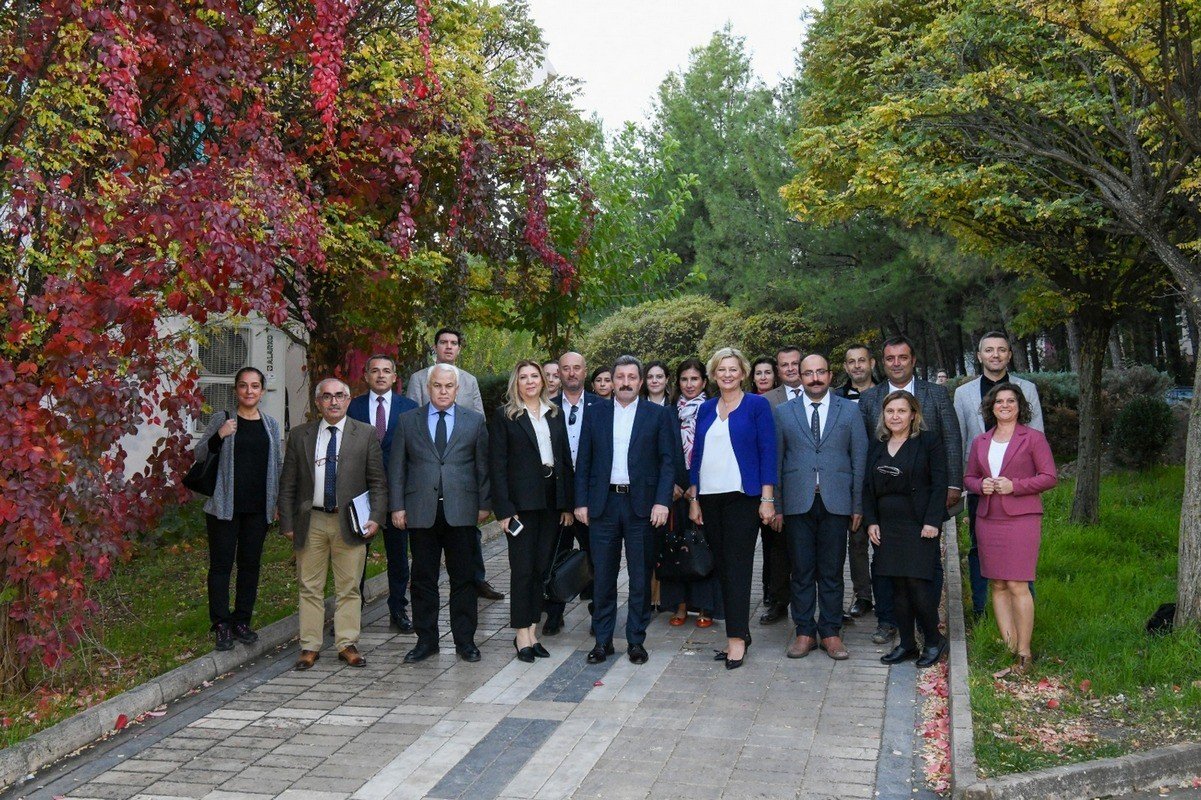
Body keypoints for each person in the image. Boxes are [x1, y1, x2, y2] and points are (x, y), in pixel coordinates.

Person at [858, 335, 962, 646]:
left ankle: (927, 623)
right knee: (885, 567)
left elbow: (951, 439)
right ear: (882, 362)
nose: (896, 363)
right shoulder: (869, 399)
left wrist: (953, 486)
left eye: (902, 357)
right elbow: (865, 453)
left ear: (913, 360)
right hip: (886, 507)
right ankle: (888, 622)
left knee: (925, 567)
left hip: (924, 501)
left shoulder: (936, 394)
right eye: (890, 358)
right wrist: (869, 512)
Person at [574, 355, 677, 665]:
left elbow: (668, 462)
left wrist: (662, 501)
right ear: (612, 380)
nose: (626, 382)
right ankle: (602, 641)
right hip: (603, 505)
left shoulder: (657, 415)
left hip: (642, 507)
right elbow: (584, 460)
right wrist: (580, 501)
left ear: (640, 382)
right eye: (620, 377)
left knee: (640, 577)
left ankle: (636, 640)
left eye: (632, 377)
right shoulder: (595, 413)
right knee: (603, 577)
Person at [279, 378, 387, 670]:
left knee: (349, 586)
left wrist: (376, 517)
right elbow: (288, 483)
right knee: (309, 586)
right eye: (327, 397)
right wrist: (287, 521)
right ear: (318, 402)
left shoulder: (365, 434)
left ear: (349, 400)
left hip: (349, 521)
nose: (334, 401)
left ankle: (347, 644)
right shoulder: (300, 435)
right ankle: (309, 646)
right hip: (311, 520)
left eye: (340, 396)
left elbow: (378, 482)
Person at [390, 364, 492, 663]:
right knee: (423, 579)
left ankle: (465, 641)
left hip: (462, 511)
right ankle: (426, 641)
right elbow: (397, 467)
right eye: (437, 385)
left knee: (464, 578)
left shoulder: (474, 421)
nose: (443, 391)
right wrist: (397, 506)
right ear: (428, 387)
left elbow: (483, 467)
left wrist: (484, 504)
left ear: (457, 389)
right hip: (421, 511)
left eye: (449, 386)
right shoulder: (408, 421)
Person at [773, 355, 867, 661]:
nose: (815, 378)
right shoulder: (783, 412)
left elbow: (859, 459)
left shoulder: (850, 410)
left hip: (836, 502)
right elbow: (777, 460)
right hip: (797, 502)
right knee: (801, 570)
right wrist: (776, 505)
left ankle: (830, 632)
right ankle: (804, 632)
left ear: (830, 375)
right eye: (808, 373)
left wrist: (857, 504)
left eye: (820, 372)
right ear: (799, 377)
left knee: (832, 570)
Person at [689, 348, 778, 670]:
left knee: (738, 568)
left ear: (743, 373)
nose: (727, 374)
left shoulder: (757, 405)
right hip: (710, 499)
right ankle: (740, 631)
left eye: (733, 369)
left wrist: (767, 498)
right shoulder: (706, 408)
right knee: (723, 568)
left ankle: (736, 640)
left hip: (743, 498)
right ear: (714, 375)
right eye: (721, 370)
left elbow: (768, 451)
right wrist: (694, 498)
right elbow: (696, 456)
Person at [963, 384, 1056, 673]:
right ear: (991, 407)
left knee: (1017, 583)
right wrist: (981, 485)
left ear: (1019, 406)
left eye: (1010, 401)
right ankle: (1009, 646)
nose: (1004, 405)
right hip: (988, 517)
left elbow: (1049, 477)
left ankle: (1024, 653)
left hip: (1021, 518)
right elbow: (969, 477)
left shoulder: (1033, 438)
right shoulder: (981, 441)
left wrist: (1015, 486)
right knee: (998, 584)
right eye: (999, 401)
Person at [406, 327, 503, 602]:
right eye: (443, 342)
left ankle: (477, 578)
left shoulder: (469, 381)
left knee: (467, 538)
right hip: (428, 472)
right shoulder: (418, 379)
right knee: (427, 553)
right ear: (435, 347)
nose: (449, 347)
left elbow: (479, 419)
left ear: (459, 349)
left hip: (461, 472)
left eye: (454, 343)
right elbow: (411, 422)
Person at [953, 331, 1045, 617]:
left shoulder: (1026, 389)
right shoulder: (963, 394)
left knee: (1020, 554)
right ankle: (982, 611)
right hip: (981, 487)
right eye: (989, 350)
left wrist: (1023, 484)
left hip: (1018, 487)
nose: (995, 355)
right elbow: (959, 440)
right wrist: (964, 484)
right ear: (979, 356)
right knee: (979, 548)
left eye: (1001, 349)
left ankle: (1022, 611)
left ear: (1009, 355)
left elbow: (1037, 435)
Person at [489, 361, 574, 662]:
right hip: (521, 506)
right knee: (522, 570)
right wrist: (504, 510)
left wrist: (566, 505)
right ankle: (521, 635)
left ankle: (533, 631)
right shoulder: (505, 416)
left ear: (543, 381)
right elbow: (497, 466)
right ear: (516, 382)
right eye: (523, 377)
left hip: (550, 502)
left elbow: (564, 459)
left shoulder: (554, 413)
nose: (529, 381)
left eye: (534, 376)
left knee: (541, 569)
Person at [193, 367, 282, 652]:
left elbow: (277, 465)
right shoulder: (223, 419)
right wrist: (220, 435)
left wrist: (276, 503)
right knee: (221, 567)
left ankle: (242, 620)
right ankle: (221, 624)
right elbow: (199, 453)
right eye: (243, 386)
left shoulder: (270, 425)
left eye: (255, 386)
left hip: (258, 508)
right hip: (224, 508)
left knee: (250, 566)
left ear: (262, 391)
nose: (249, 391)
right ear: (236, 390)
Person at [864, 391, 948, 668]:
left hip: (919, 524)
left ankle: (934, 641)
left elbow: (939, 484)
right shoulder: (877, 445)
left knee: (917, 584)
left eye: (901, 411)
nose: (895, 416)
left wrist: (933, 521)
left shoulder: (929, 442)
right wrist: (871, 521)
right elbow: (867, 487)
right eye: (890, 411)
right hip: (886, 526)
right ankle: (908, 644)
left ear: (913, 414)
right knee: (897, 586)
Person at [348, 355, 418, 633]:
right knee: (355, 557)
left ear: (394, 377)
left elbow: (414, 454)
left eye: (386, 371)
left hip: (396, 495)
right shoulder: (352, 407)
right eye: (375, 371)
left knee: (398, 557)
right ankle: (350, 613)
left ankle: (398, 609)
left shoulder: (409, 408)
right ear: (366, 376)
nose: (380, 375)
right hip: (360, 495)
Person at [660, 358, 721, 628]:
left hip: (706, 486)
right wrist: (671, 485)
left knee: (703, 544)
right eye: (684, 379)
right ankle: (680, 604)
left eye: (694, 379)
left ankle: (705, 605)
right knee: (675, 545)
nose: (689, 384)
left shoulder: (714, 410)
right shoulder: (668, 413)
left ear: (704, 382)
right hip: (674, 488)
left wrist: (696, 487)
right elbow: (661, 451)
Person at [544, 351, 601, 636]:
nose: (571, 373)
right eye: (565, 369)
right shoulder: (547, 408)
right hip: (558, 499)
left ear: (585, 371)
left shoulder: (602, 407)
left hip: (594, 498)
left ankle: (598, 613)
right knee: (556, 555)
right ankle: (554, 613)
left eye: (576, 368)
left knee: (598, 557)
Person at [758, 345, 804, 624]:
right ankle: (778, 602)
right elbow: (766, 451)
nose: (790, 369)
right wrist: (772, 499)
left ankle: (812, 605)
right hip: (778, 488)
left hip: (812, 489)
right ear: (778, 370)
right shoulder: (766, 401)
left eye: (794, 363)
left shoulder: (825, 395)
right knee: (778, 551)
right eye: (784, 365)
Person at [836, 344, 878, 621]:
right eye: (851, 362)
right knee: (856, 540)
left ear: (872, 363)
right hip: (846, 477)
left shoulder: (886, 393)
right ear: (845, 367)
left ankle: (887, 594)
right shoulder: (835, 397)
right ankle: (863, 596)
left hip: (881, 474)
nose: (857, 366)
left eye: (862, 360)